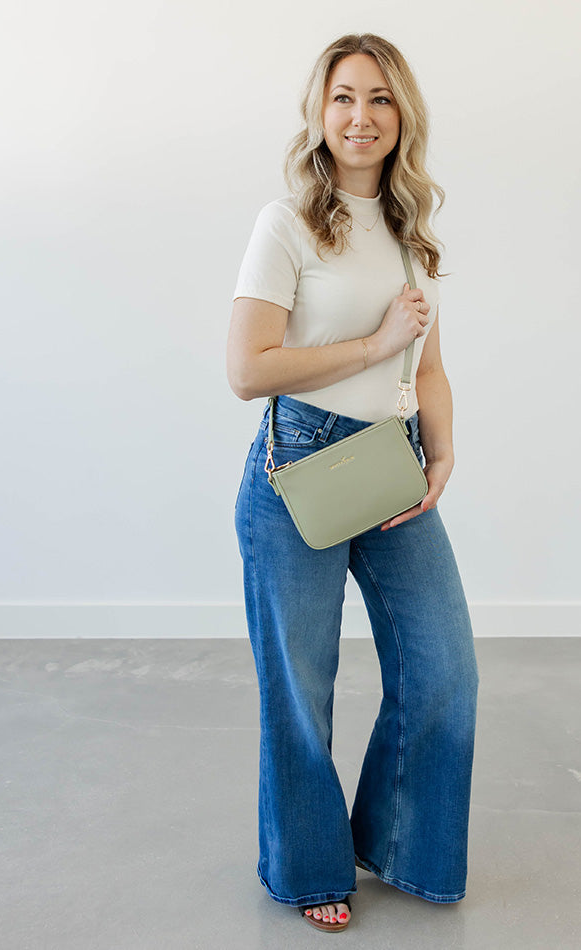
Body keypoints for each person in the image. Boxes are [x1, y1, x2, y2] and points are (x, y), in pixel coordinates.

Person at [227, 32, 478, 934]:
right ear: (319, 111)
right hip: (298, 468)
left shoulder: (413, 236)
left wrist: (442, 451)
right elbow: (248, 370)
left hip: (391, 464)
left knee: (444, 667)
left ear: (401, 113)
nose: (360, 116)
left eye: (378, 98)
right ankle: (309, 867)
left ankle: (401, 844)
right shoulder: (287, 224)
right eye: (343, 97)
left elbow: (429, 364)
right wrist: (373, 345)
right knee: (301, 687)